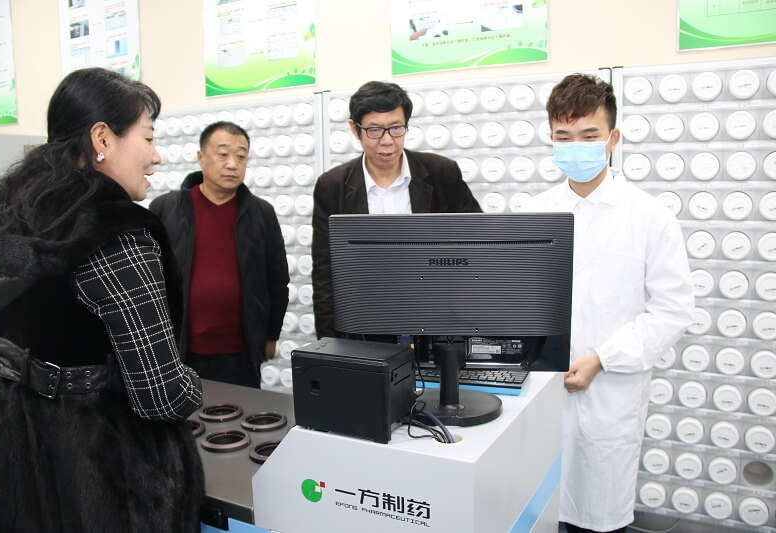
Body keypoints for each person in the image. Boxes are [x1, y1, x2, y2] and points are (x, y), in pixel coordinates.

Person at [0, 68, 204, 531]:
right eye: (148, 137)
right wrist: (195, 386)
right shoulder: (117, 236)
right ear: (102, 138)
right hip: (102, 485)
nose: (156, 156)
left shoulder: (16, 219)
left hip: (17, 474)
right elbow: (160, 395)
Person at [522, 74, 695, 533]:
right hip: (540, 391)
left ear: (613, 139)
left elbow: (673, 310)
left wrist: (603, 358)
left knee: (596, 515)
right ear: (551, 139)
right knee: (532, 510)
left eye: (589, 135)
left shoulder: (650, 217)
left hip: (610, 394)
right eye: (564, 136)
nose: (575, 146)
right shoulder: (533, 213)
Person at [312, 81, 481, 339]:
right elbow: (325, 273)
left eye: (396, 128)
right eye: (374, 130)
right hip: (365, 324)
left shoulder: (442, 173)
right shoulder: (331, 186)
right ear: (355, 129)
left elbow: (477, 244)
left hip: (437, 321)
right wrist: (330, 344)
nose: (387, 141)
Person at [149, 121, 289, 388]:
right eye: (223, 154)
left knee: (243, 413)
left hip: (241, 354)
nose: (232, 164)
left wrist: (271, 335)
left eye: (241, 156)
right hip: (181, 350)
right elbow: (151, 281)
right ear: (201, 158)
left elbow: (277, 280)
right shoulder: (166, 208)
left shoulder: (261, 213)